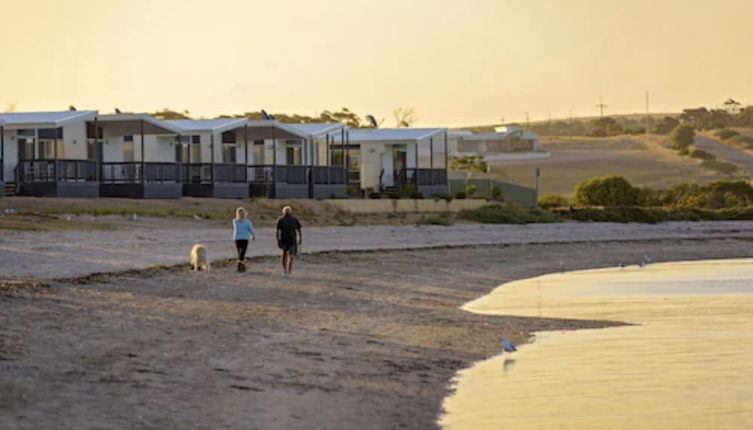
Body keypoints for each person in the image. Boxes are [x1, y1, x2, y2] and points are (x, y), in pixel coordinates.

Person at [276, 205, 302, 277]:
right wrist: (300, 238)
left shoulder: (281, 220)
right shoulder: (294, 219)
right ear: (290, 211)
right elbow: (299, 230)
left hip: (284, 239)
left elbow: (277, 231)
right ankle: (289, 272)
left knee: (284, 255)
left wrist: (278, 240)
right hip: (292, 239)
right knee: (291, 256)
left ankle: (285, 271)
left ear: (283, 212)